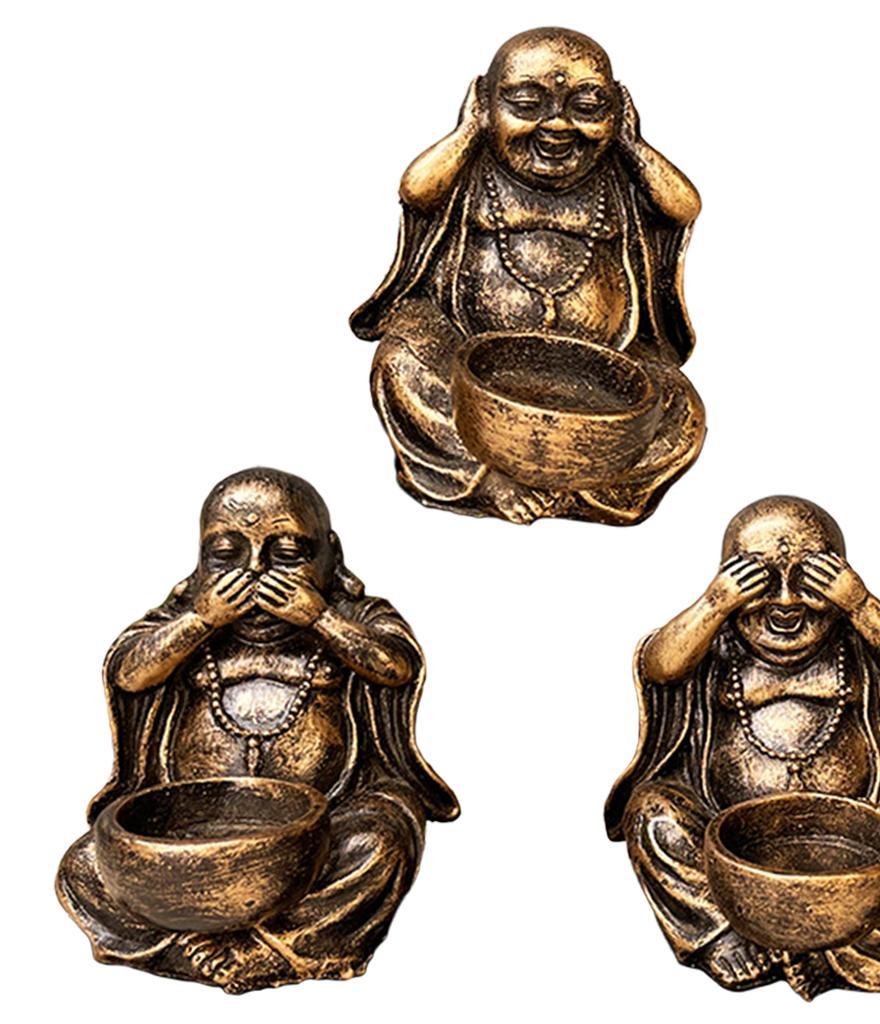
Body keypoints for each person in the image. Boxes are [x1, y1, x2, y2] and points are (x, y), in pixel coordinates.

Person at [57, 468, 459, 993]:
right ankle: (189, 949)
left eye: (287, 554)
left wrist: (319, 618)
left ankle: (275, 948)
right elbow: (129, 671)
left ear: (331, 556)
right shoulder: (186, 621)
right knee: (85, 867)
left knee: (381, 843)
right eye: (226, 555)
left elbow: (396, 664)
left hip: (324, 826)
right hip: (192, 831)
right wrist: (201, 621)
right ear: (200, 562)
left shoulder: (352, 617)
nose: (255, 574)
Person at [605, 496, 880, 999]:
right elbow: (659, 666)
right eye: (759, 581)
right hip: (727, 837)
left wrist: (861, 604)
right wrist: (713, 605)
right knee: (652, 817)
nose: (786, 602)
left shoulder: (854, 644)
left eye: (812, 581)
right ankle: (724, 935)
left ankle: (829, 956)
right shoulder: (718, 645)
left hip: (851, 839)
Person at [352, 27, 704, 524]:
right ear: (486, 104)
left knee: (679, 408)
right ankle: (483, 478)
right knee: (400, 362)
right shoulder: (473, 168)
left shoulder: (617, 178)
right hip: (469, 350)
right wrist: (467, 134)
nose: (557, 125)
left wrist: (633, 146)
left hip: (597, 368)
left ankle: (583, 490)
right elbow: (416, 191)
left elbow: (683, 207)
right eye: (526, 104)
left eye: (587, 107)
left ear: (617, 111)